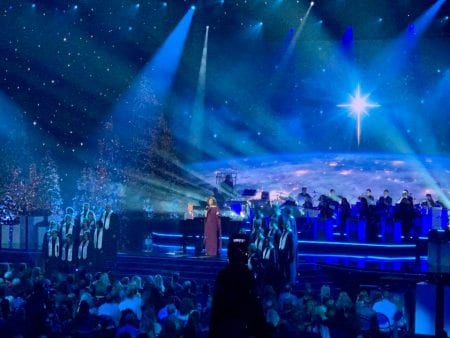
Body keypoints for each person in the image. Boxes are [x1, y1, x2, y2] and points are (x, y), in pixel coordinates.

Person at [209, 233, 269, 338]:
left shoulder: (224, 275)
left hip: (229, 327)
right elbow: (255, 303)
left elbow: (216, 307)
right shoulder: (247, 275)